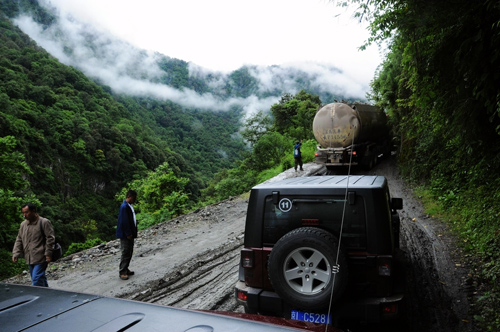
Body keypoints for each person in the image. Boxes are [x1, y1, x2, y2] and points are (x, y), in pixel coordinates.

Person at [12, 203, 55, 287]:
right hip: (29, 257)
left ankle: (39, 298)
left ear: (33, 211)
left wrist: (48, 253)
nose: (24, 215)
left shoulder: (44, 222)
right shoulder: (23, 225)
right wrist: (15, 253)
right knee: (39, 278)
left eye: (26, 212)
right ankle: (47, 294)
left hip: (41, 257)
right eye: (23, 213)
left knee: (36, 280)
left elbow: (50, 238)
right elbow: (19, 239)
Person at [116, 190, 138, 280]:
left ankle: (126, 268)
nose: (135, 199)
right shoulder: (124, 207)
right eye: (134, 197)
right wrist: (128, 233)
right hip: (126, 234)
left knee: (129, 251)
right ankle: (122, 271)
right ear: (129, 196)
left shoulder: (129, 206)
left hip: (130, 233)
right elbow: (124, 222)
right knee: (125, 252)